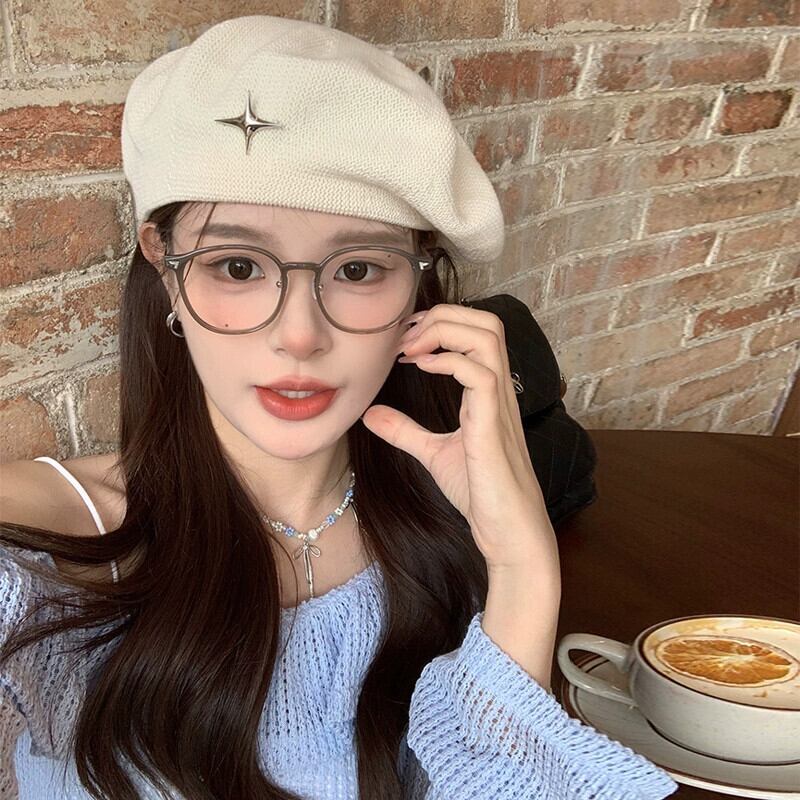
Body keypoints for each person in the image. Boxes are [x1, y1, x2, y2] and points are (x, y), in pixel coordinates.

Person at [0, 14, 679, 800]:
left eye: (357, 269)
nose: (300, 335)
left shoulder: (435, 520)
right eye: (238, 265)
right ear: (166, 268)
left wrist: (523, 563)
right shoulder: (44, 554)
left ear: (419, 288)